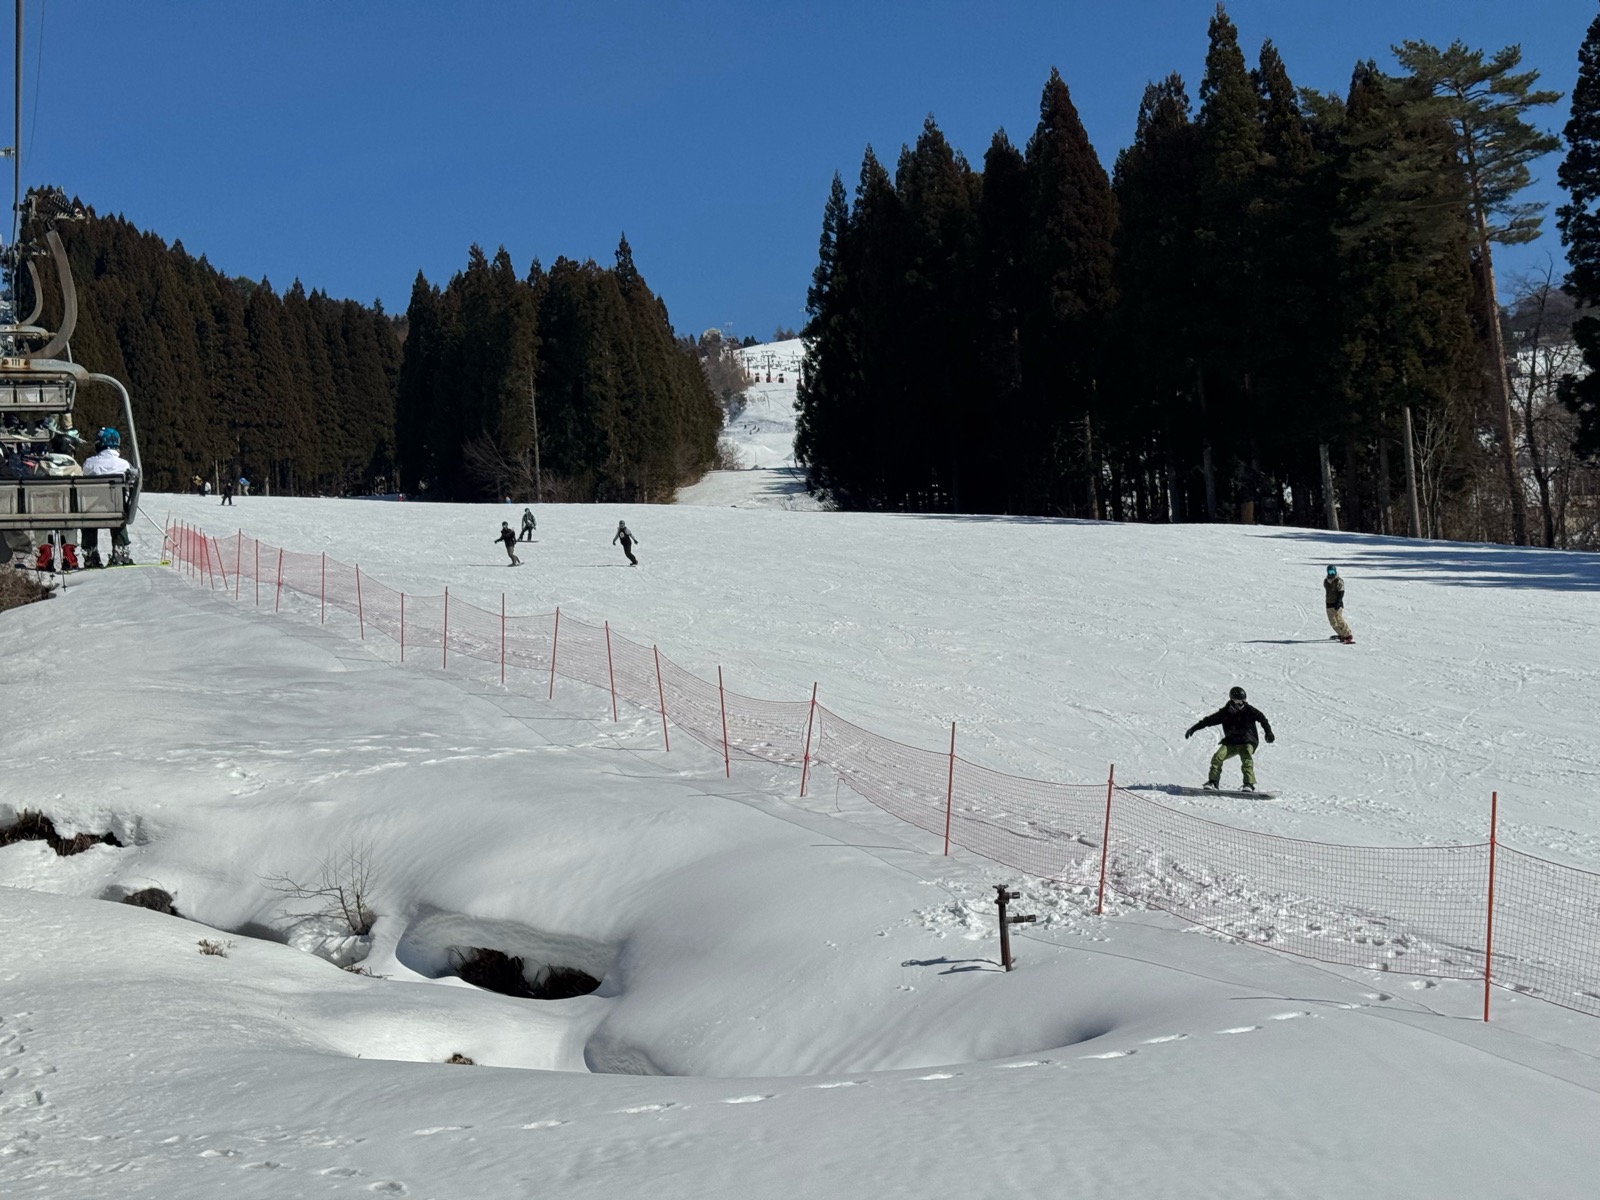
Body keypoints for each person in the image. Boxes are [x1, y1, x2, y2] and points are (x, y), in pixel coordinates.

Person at [1184, 686, 1275, 792]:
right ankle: (1213, 782)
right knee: (1217, 757)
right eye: (1238, 701)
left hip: (1247, 741)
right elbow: (1208, 720)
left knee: (1246, 757)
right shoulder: (1225, 713)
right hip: (1231, 742)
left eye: (1243, 701)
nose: (1241, 703)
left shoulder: (1250, 710)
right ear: (1232, 700)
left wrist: (1268, 732)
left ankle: (1248, 784)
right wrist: (1194, 728)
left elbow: (1262, 719)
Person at [82, 427, 137, 567]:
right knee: (119, 518)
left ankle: (90, 553)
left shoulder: (89, 463)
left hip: (91, 508)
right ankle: (120, 552)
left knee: (88, 523)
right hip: (114, 508)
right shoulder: (124, 464)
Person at [1324, 565, 1353, 644]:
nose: (1331, 574)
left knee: (1339, 619)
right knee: (1332, 622)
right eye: (1330, 572)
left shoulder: (1338, 580)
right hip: (1329, 604)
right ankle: (1341, 634)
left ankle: (1347, 635)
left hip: (1337, 604)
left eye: (1333, 572)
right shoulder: (1326, 581)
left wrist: (1339, 601)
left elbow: (1341, 591)